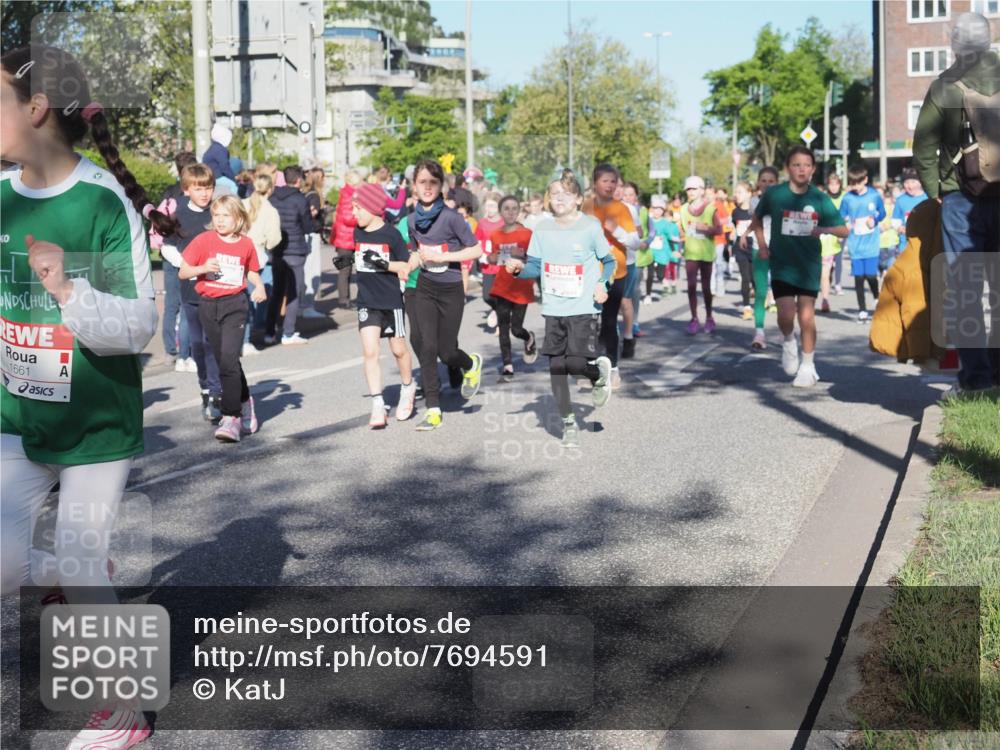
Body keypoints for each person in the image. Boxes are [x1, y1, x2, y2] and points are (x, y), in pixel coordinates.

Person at [1, 43, 174, 749]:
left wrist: (68, 291)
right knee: (8, 564)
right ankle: (73, 569)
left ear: (34, 108)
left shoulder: (100, 203)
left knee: (75, 560)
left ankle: (123, 714)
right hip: (16, 418)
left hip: (95, 425)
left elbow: (135, 328)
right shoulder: (2, 197)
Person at [914, 11, 1000, 391]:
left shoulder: (945, 85)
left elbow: (924, 148)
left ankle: (976, 376)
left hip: (960, 200)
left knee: (966, 288)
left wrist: (938, 190)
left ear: (955, 43)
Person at [505, 175, 615, 448]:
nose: (560, 198)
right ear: (549, 200)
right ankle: (568, 421)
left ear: (578, 198)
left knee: (576, 364)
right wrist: (519, 270)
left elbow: (609, 261)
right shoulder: (542, 229)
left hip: (583, 307)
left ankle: (598, 374)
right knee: (556, 367)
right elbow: (535, 267)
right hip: (554, 308)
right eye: (555, 194)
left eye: (566, 193)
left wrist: (603, 283)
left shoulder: (590, 226)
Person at [750, 146, 848, 387]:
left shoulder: (819, 198)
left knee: (806, 316)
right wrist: (762, 245)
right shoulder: (775, 195)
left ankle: (807, 364)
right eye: (796, 165)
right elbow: (757, 219)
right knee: (785, 314)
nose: (801, 169)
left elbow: (843, 229)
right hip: (782, 263)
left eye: (806, 165)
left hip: (808, 265)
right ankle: (787, 340)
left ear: (813, 170)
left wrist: (823, 230)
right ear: (788, 169)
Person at [180, 196, 266, 442]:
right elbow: (184, 271)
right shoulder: (204, 240)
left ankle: (231, 417)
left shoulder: (246, 244)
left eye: (225, 215)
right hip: (208, 305)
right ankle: (245, 399)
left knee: (228, 360)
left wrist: (258, 286)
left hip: (234, 305)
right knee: (225, 361)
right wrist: (202, 268)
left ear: (238, 218)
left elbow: (251, 271)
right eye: (216, 215)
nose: (219, 220)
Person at [409, 158, 484, 431]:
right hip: (426, 288)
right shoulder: (412, 220)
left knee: (447, 352)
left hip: (451, 288)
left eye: (433, 182)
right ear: (414, 186)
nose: (427, 187)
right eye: (422, 182)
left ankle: (470, 363)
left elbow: (475, 251)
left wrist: (445, 255)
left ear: (441, 186)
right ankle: (433, 409)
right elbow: (414, 250)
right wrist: (412, 261)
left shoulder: (452, 218)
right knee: (427, 348)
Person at [349, 183, 418, 427]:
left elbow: (406, 265)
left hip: (391, 302)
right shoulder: (357, 233)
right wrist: (347, 261)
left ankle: (408, 387)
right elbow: (358, 258)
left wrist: (383, 263)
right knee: (370, 352)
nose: (353, 213)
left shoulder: (391, 234)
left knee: (399, 350)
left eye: (357, 208)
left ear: (372, 208)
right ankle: (378, 404)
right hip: (367, 301)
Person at [171, 164, 225, 420]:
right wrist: (187, 264)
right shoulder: (179, 214)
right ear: (186, 189)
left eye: (208, 188)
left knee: (212, 342)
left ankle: (217, 393)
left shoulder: (218, 212)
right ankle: (205, 386)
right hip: (190, 289)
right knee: (197, 344)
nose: (205, 194)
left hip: (217, 289)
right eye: (198, 188)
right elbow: (168, 247)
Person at [587, 163, 638, 386]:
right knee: (589, 322)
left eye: (613, 181)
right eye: (604, 180)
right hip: (590, 274)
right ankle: (592, 368)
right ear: (595, 183)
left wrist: (614, 229)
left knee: (608, 322)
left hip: (616, 273)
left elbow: (635, 242)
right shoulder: (586, 208)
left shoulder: (622, 209)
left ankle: (613, 368)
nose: (609, 185)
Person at [150, 150, 197, 369]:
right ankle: (187, 350)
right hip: (187, 253)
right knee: (188, 304)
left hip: (168, 254)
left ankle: (171, 349)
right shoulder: (191, 195)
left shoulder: (168, 193)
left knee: (172, 304)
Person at [487, 195, 538, 382]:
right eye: (506, 208)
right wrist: (505, 255)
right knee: (503, 326)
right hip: (502, 286)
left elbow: (533, 260)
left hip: (521, 286)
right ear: (501, 212)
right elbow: (491, 258)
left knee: (516, 329)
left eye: (514, 208)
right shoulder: (496, 234)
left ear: (519, 211)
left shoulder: (527, 234)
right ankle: (507, 365)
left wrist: (522, 255)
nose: (510, 212)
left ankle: (528, 337)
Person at [266, 165, 313, 345]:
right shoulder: (300, 199)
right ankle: (288, 332)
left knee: (277, 291)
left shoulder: (273, 197)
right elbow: (308, 225)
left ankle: (269, 332)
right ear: (299, 180)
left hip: (278, 249)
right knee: (294, 291)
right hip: (296, 250)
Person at [840, 164, 886, 322]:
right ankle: (862, 309)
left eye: (858, 183)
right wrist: (846, 224)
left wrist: (875, 219)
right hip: (855, 244)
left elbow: (883, 213)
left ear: (865, 180)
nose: (855, 187)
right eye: (852, 183)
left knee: (871, 275)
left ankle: (877, 297)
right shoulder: (847, 198)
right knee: (859, 277)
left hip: (871, 243)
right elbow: (842, 216)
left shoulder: (873, 196)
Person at [242, 172, 282, 355]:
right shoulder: (271, 211)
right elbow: (274, 239)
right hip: (258, 256)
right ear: (270, 189)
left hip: (239, 253)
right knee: (262, 294)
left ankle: (245, 336)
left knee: (242, 298)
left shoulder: (242, 203)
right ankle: (252, 334)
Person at [679, 175, 723, 334]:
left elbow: (719, 230)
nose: (690, 192)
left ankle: (710, 317)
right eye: (688, 189)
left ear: (701, 190)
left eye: (694, 188)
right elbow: (684, 229)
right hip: (691, 253)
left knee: (705, 287)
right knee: (691, 286)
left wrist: (706, 229)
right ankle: (694, 318)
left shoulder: (710, 209)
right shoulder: (683, 209)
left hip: (706, 254)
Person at [746, 166, 779, 348]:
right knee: (760, 292)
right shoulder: (753, 201)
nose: (766, 184)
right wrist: (745, 234)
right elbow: (756, 222)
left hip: (780, 250)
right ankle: (759, 332)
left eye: (771, 181)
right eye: (763, 181)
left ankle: (785, 331)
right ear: (758, 183)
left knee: (782, 291)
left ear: (777, 183)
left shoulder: (783, 201)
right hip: (759, 249)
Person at [331, 171, 361, 308]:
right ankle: (344, 300)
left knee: (345, 270)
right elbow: (348, 218)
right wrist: (362, 218)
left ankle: (344, 299)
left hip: (343, 238)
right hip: (347, 239)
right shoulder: (351, 195)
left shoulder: (345, 193)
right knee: (346, 270)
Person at [475, 192, 506, 329]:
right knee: (487, 296)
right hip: (487, 265)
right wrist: (480, 254)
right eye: (487, 206)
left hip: (501, 266)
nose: (489, 209)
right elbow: (477, 241)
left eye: (492, 206)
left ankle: (502, 322)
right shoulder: (482, 223)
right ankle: (497, 310)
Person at [818, 171, 847, 313]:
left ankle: (825, 298)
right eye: (831, 184)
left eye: (836, 184)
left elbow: (846, 215)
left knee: (828, 269)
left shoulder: (844, 197)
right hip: (817, 240)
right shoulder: (823, 198)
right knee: (819, 272)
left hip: (832, 239)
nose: (834, 187)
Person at [300, 166, 326, 319]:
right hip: (311, 234)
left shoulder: (304, 193)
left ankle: (302, 305)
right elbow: (311, 213)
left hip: (303, 234)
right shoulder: (315, 196)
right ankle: (308, 306)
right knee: (312, 271)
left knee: (304, 271)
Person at [890, 169, 929, 268]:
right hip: (905, 244)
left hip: (925, 243)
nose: (910, 186)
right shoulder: (900, 200)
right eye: (907, 182)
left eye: (913, 182)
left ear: (920, 182)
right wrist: (899, 227)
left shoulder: (928, 198)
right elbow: (895, 219)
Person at [730, 181, 755, 320]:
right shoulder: (735, 212)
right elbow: (734, 227)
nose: (736, 195)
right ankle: (746, 307)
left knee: (754, 279)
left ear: (749, 194)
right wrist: (733, 234)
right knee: (745, 278)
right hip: (741, 248)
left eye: (740, 192)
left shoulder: (755, 211)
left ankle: (759, 302)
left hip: (754, 247)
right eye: (736, 192)